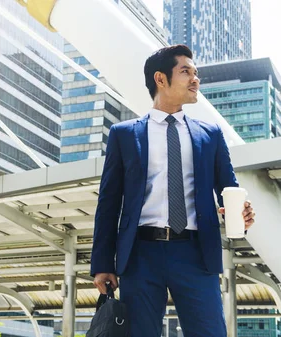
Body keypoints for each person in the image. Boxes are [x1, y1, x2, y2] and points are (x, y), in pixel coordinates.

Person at [90, 44, 256, 337]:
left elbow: (229, 189)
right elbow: (109, 203)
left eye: (196, 73)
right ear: (160, 79)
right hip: (140, 255)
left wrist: (240, 213)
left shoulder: (211, 135)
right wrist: (103, 263)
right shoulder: (124, 135)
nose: (195, 80)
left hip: (195, 253)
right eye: (186, 72)